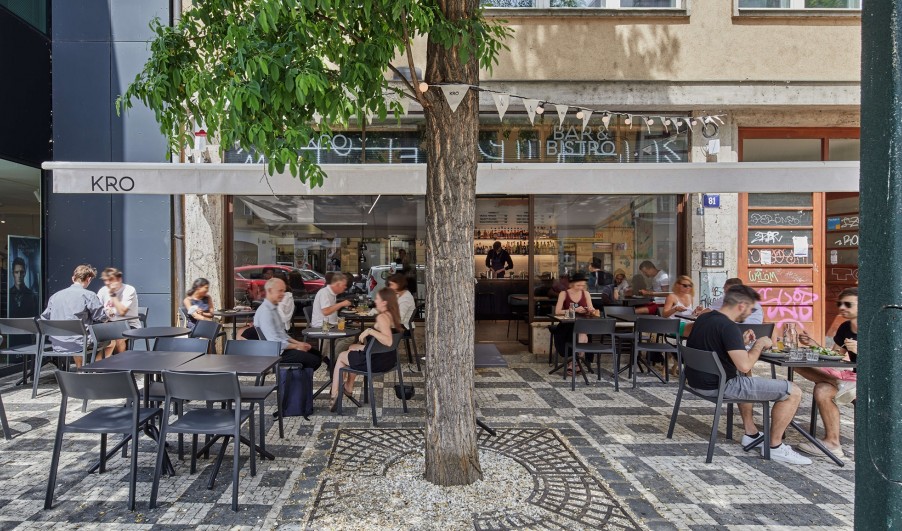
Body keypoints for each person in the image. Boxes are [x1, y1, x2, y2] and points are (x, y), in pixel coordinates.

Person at [685, 285, 811, 465]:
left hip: (697, 382)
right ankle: (775, 446)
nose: (751, 313)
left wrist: (740, 342)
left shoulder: (704, 318)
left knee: (746, 379)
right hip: (720, 386)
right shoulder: (728, 326)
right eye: (751, 309)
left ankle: (751, 433)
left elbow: (715, 345)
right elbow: (744, 365)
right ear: (741, 305)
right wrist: (759, 344)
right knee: (793, 391)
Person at [793, 287, 859, 458]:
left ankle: (839, 383)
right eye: (839, 304)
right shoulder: (845, 327)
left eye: (848, 304)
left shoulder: (875, 327)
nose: (842, 307)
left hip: (873, 379)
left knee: (823, 387)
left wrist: (861, 350)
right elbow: (834, 355)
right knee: (799, 367)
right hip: (851, 379)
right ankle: (833, 444)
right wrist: (813, 344)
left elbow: (889, 361)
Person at [329, 287, 402, 411]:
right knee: (352, 348)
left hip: (375, 362)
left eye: (377, 298)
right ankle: (348, 387)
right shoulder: (393, 315)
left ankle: (334, 394)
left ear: (384, 302)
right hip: (389, 360)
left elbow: (388, 341)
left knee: (341, 356)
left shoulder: (382, 317)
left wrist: (370, 331)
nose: (375, 301)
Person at [40, 264, 107, 367]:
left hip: (58, 344)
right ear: (89, 279)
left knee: (78, 336)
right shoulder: (89, 295)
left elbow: (44, 319)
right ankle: (95, 369)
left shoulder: (55, 296)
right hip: (80, 344)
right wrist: (108, 313)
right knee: (108, 340)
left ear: (73, 278)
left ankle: (80, 368)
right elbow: (101, 317)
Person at [254, 278, 322, 369]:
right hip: (276, 353)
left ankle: (297, 375)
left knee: (316, 354)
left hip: (282, 348)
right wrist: (296, 346)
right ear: (270, 291)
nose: (283, 294)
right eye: (280, 291)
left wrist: (299, 343)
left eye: (284, 291)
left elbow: (282, 335)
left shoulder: (274, 308)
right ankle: (293, 376)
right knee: (314, 360)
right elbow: (275, 342)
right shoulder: (266, 312)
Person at [552, 273, 600, 375]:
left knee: (582, 332)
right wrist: (574, 310)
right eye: (578, 285)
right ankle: (577, 362)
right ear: (572, 284)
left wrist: (589, 310)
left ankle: (575, 362)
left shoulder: (586, 294)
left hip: (582, 323)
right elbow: (558, 311)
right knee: (582, 333)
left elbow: (591, 308)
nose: (580, 287)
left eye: (583, 285)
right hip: (567, 324)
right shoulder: (564, 294)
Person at [96, 267, 140, 358]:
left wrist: (112, 294)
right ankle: (99, 364)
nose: (107, 283)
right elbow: (97, 309)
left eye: (110, 280)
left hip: (128, 323)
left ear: (119, 279)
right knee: (104, 339)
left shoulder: (129, 290)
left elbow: (122, 311)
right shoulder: (103, 290)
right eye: (105, 280)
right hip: (108, 324)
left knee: (118, 338)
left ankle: (121, 363)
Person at [311, 272, 356, 354]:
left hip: (331, 324)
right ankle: (329, 358)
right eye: (344, 285)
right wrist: (342, 304)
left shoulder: (332, 294)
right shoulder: (324, 293)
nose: (345, 287)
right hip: (322, 325)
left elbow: (331, 311)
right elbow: (326, 311)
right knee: (348, 338)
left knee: (350, 337)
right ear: (337, 284)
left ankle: (330, 358)